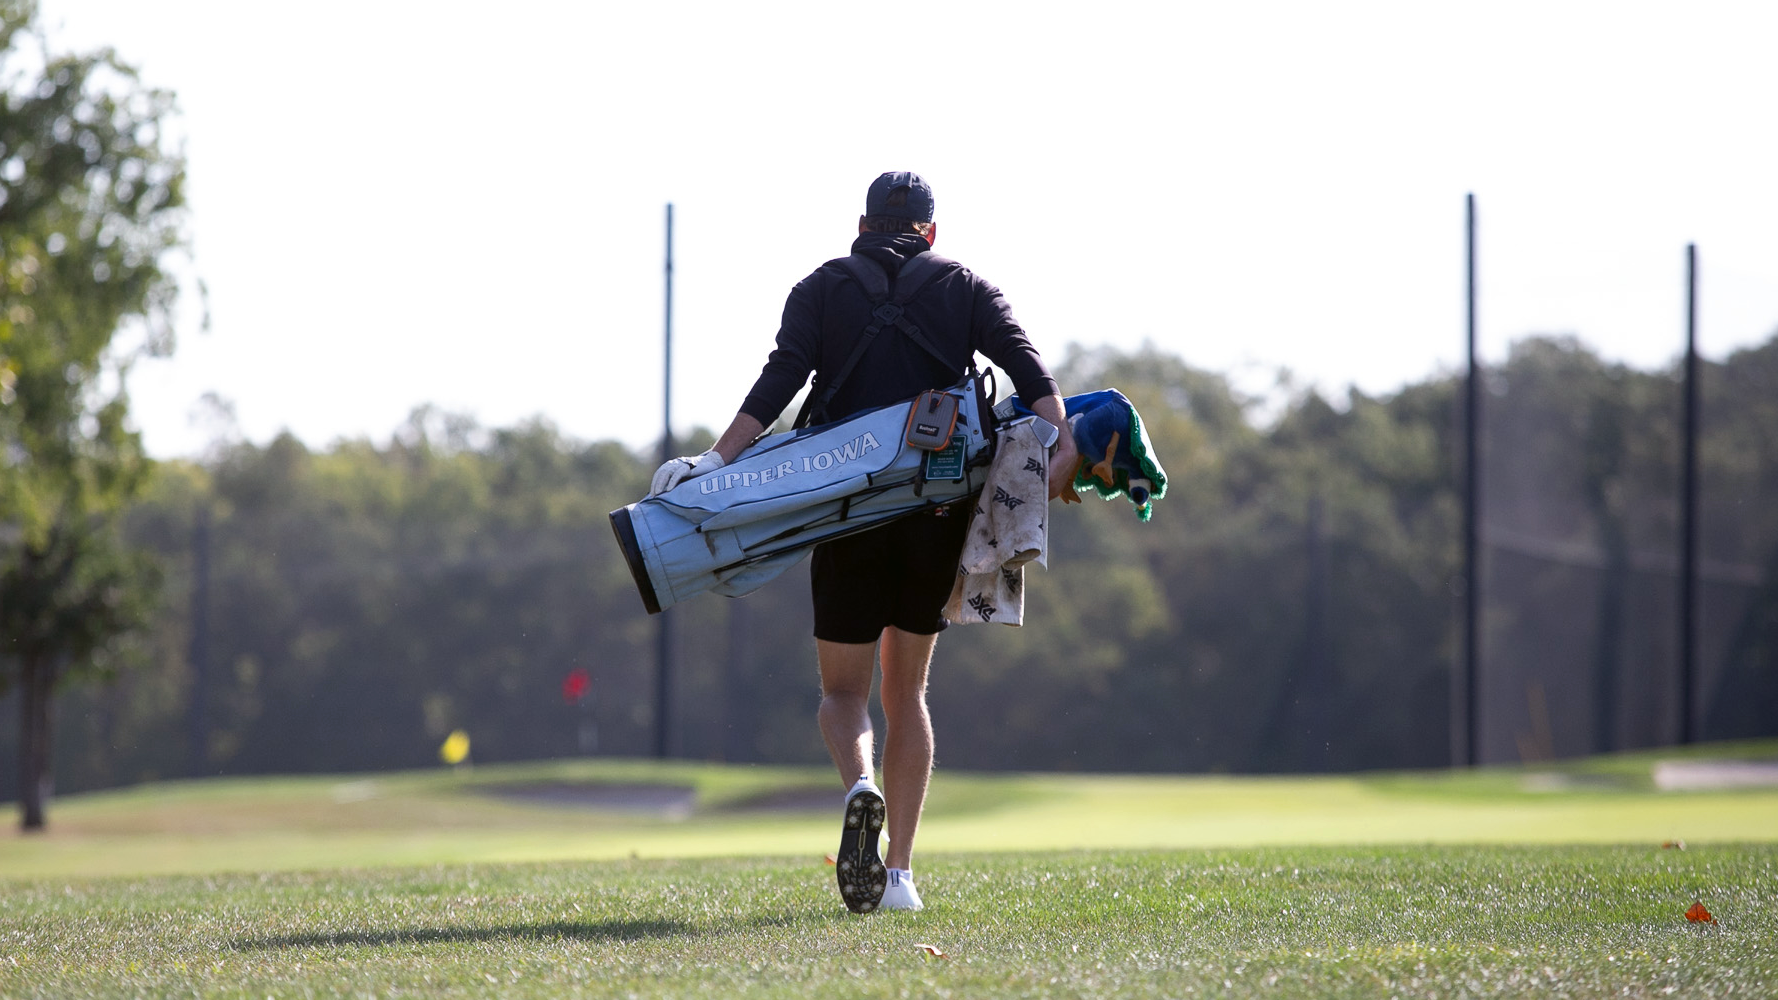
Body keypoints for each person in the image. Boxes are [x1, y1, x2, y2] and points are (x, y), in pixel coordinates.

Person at [650, 171, 1077, 913]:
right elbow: (1034, 380)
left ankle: (860, 786)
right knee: (906, 689)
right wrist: (1062, 453)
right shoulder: (969, 287)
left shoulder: (821, 287)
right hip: (936, 514)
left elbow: (778, 381)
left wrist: (714, 462)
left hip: (846, 510)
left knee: (843, 692)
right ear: (931, 232)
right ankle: (901, 877)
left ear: (862, 223)